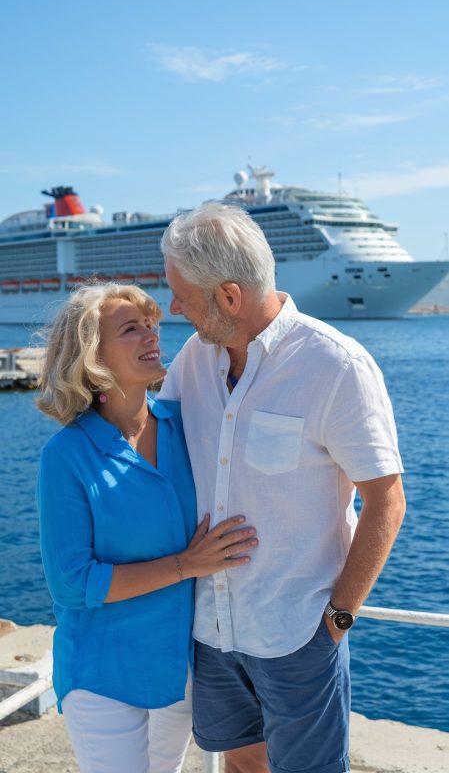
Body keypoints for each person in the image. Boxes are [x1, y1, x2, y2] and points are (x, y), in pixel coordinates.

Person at [159, 203, 406, 773]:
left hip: (298, 629)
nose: (173, 307)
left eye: (182, 295)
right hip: (212, 627)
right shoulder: (193, 360)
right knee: (243, 763)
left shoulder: (336, 365)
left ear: (227, 297)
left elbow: (386, 500)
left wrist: (340, 616)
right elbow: (148, 442)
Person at [36, 282, 258, 773]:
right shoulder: (66, 457)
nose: (152, 337)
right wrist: (185, 565)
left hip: (177, 669)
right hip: (102, 673)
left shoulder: (188, 426)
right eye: (131, 329)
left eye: (152, 325)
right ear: (92, 355)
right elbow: (73, 583)